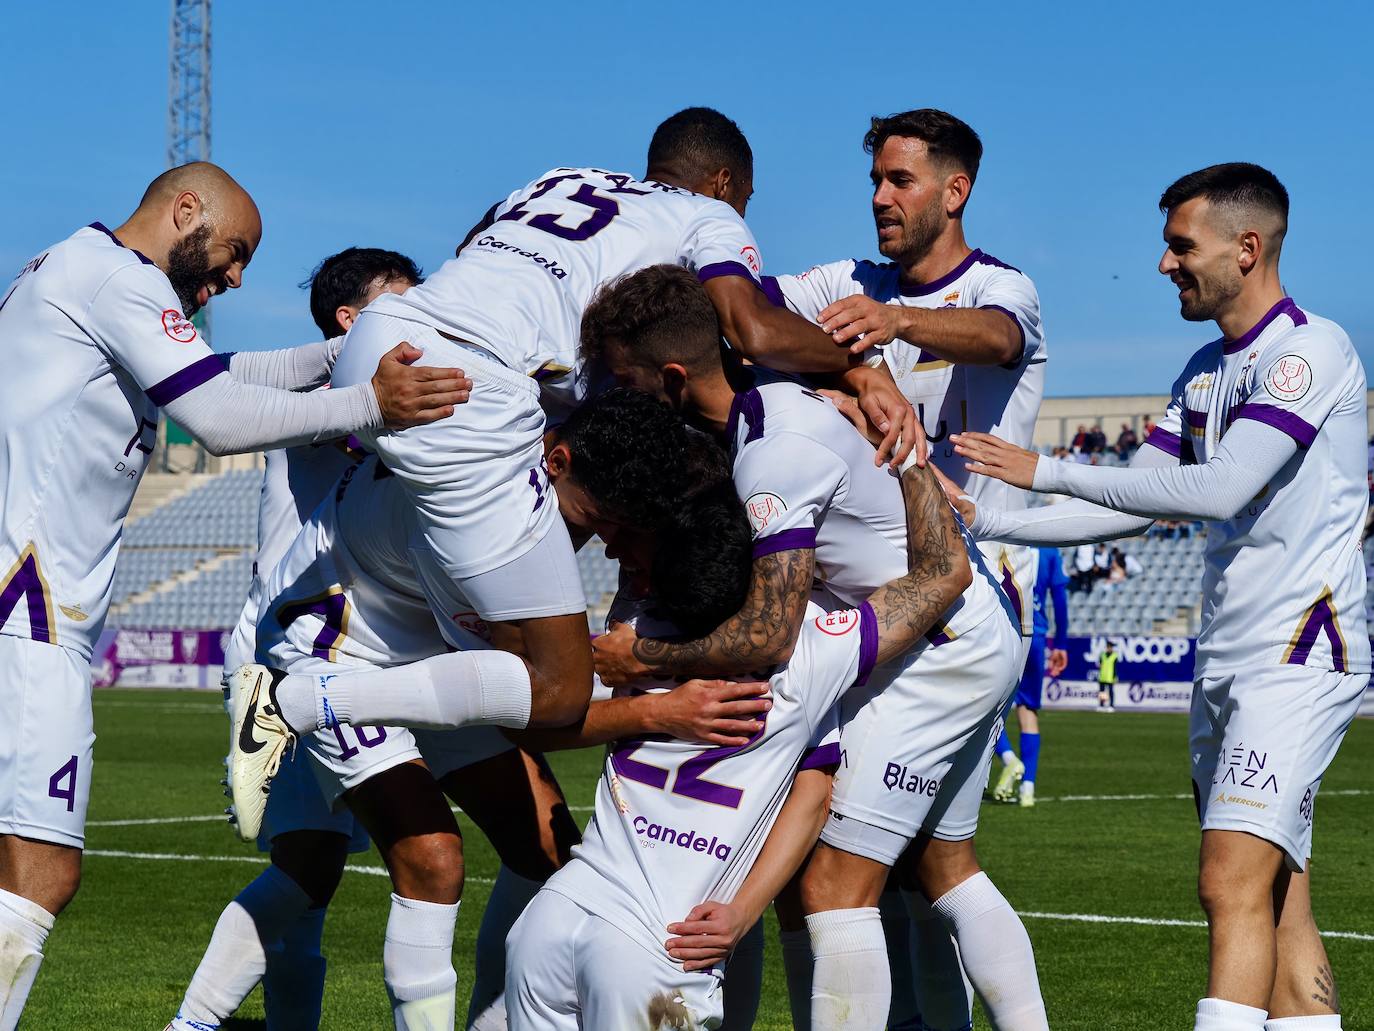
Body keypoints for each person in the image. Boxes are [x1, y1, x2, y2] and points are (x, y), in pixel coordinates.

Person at [229, 109, 917, 839]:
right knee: (556, 691)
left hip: (393, 341)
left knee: (506, 640)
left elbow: (474, 256)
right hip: (472, 392)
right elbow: (748, 326)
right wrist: (856, 368)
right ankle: (304, 697)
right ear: (724, 184)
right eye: (743, 201)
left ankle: (354, 666)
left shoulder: (564, 179)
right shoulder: (708, 216)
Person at [0, 163, 470, 1030]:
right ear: (186, 210)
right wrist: (371, 399)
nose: (237, 278)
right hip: (30, 614)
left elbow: (224, 368)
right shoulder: (120, 279)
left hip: (26, 608)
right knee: (39, 872)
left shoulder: (75, 270)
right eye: (232, 252)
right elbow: (218, 416)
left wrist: (341, 353)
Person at [952, 162, 1367, 1031]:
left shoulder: (1310, 351)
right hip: (1227, 659)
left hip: (1298, 654)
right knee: (1278, 898)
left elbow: (1217, 489)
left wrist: (1047, 467)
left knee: (1226, 880)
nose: (1164, 263)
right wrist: (988, 521)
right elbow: (1128, 503)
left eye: (1182, 246)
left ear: (1247, 249)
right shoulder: (1203, 370)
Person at [581, 265, 1045, 1031]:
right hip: (956, 623)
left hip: (934, 643)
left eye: (623, 379)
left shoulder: (774, 453)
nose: (615, 394)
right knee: (942, 868)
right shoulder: (770, 410)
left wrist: (644, 663)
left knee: (831, 885)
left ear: (669, 376)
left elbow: (767, 634)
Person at [505, 427, 974, 1031]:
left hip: (558, 913)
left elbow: (537, 725)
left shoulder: (627, 638)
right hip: (661, 941)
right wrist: (905, 449)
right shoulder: (807, 654)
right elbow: (945, 572)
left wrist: (650, 707)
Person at [756, 107, 1047, 1031]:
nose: (880, 197)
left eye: (902, 181)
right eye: (875, 179)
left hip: (954, 603)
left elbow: (1000, 338)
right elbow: (748, 303)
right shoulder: (843, 280)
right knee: (936, 866)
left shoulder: (1002, 287)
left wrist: (892, 325)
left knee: (830, 871)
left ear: (955, 191)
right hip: (891, 600)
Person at [169, 246, 420, 1031]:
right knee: (309, 868)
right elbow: (219, 382)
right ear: (351, 322)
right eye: (400, 306)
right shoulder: (324, 388)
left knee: (307, 885)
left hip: (330, 645)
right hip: (295, 652)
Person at [992, 545, 1070, 806]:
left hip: (1005, 630)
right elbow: (1060, 598)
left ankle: (1009, 759)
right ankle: (1028, 789)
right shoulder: (1050, 551)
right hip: (1036, 636)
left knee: (986, 709)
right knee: (1029, 713)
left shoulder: (1005, 539)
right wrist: (1061, 643)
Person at [1097, 640, 1120, 711]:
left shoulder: (1115, 656)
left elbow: (1116, 667)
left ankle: (1111, 705)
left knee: (1110, 691)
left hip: (1110, 676)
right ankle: (1101, 705)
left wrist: (1115, 676)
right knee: (1102, 692)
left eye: (1110, 647)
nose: (1109, 648)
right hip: (1102, 676)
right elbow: (1100, 665)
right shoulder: (1102, 655)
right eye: (1108, 647)